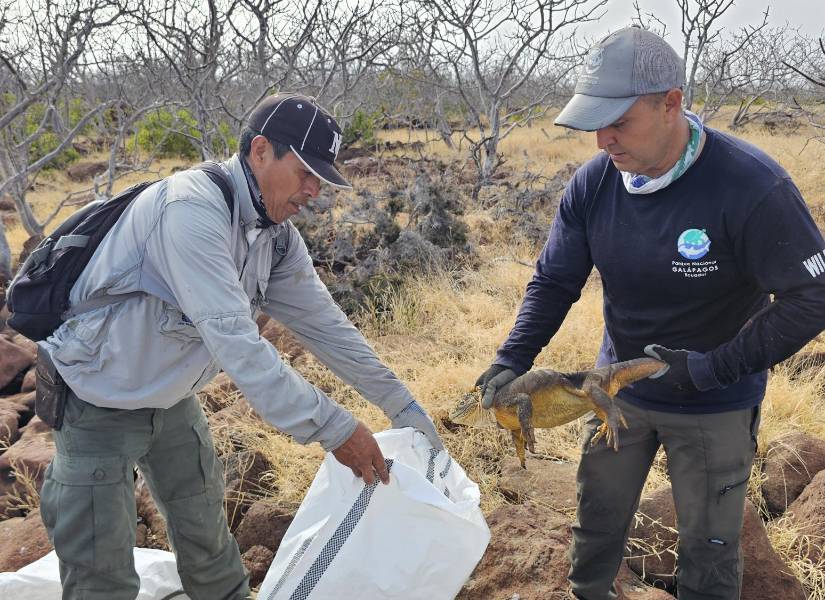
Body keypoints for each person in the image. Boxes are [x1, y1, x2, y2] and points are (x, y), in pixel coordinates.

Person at [38, 93, 443, 600]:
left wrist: (401, 404)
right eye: (305, 173)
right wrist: (338, 429)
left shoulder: (275, 235)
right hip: (99, 398)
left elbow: (327, 328)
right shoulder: (190, 211)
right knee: (102, 574)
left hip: (171, 397)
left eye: (322, 178)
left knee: (209, 543)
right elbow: (240, 347)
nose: (314, 191)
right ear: (259, 151)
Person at [476, 26, 825, 600]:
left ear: (672, 103)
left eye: (619, 122)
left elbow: (812, 297)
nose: (603, 141)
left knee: (709, 554)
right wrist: (511, 357)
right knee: (594, 532)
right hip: (617, 392)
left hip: (716, 400)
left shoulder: (751, 187)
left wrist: (712, 369)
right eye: (596, 124)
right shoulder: (593, 185)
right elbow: (555, 279)